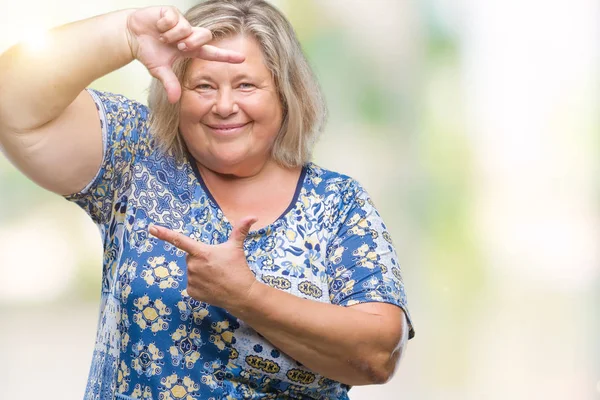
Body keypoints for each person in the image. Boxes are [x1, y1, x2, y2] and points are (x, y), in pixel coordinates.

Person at [0, 0, 414, 399]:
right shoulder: (136, 157)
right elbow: (10, 102)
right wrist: (125, 32)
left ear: (285, 95)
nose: (224, 105)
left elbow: (379, 354)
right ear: (176, 90)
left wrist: (247, 296)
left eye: (246, 85)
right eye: (204, 86)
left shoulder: (338, 203)